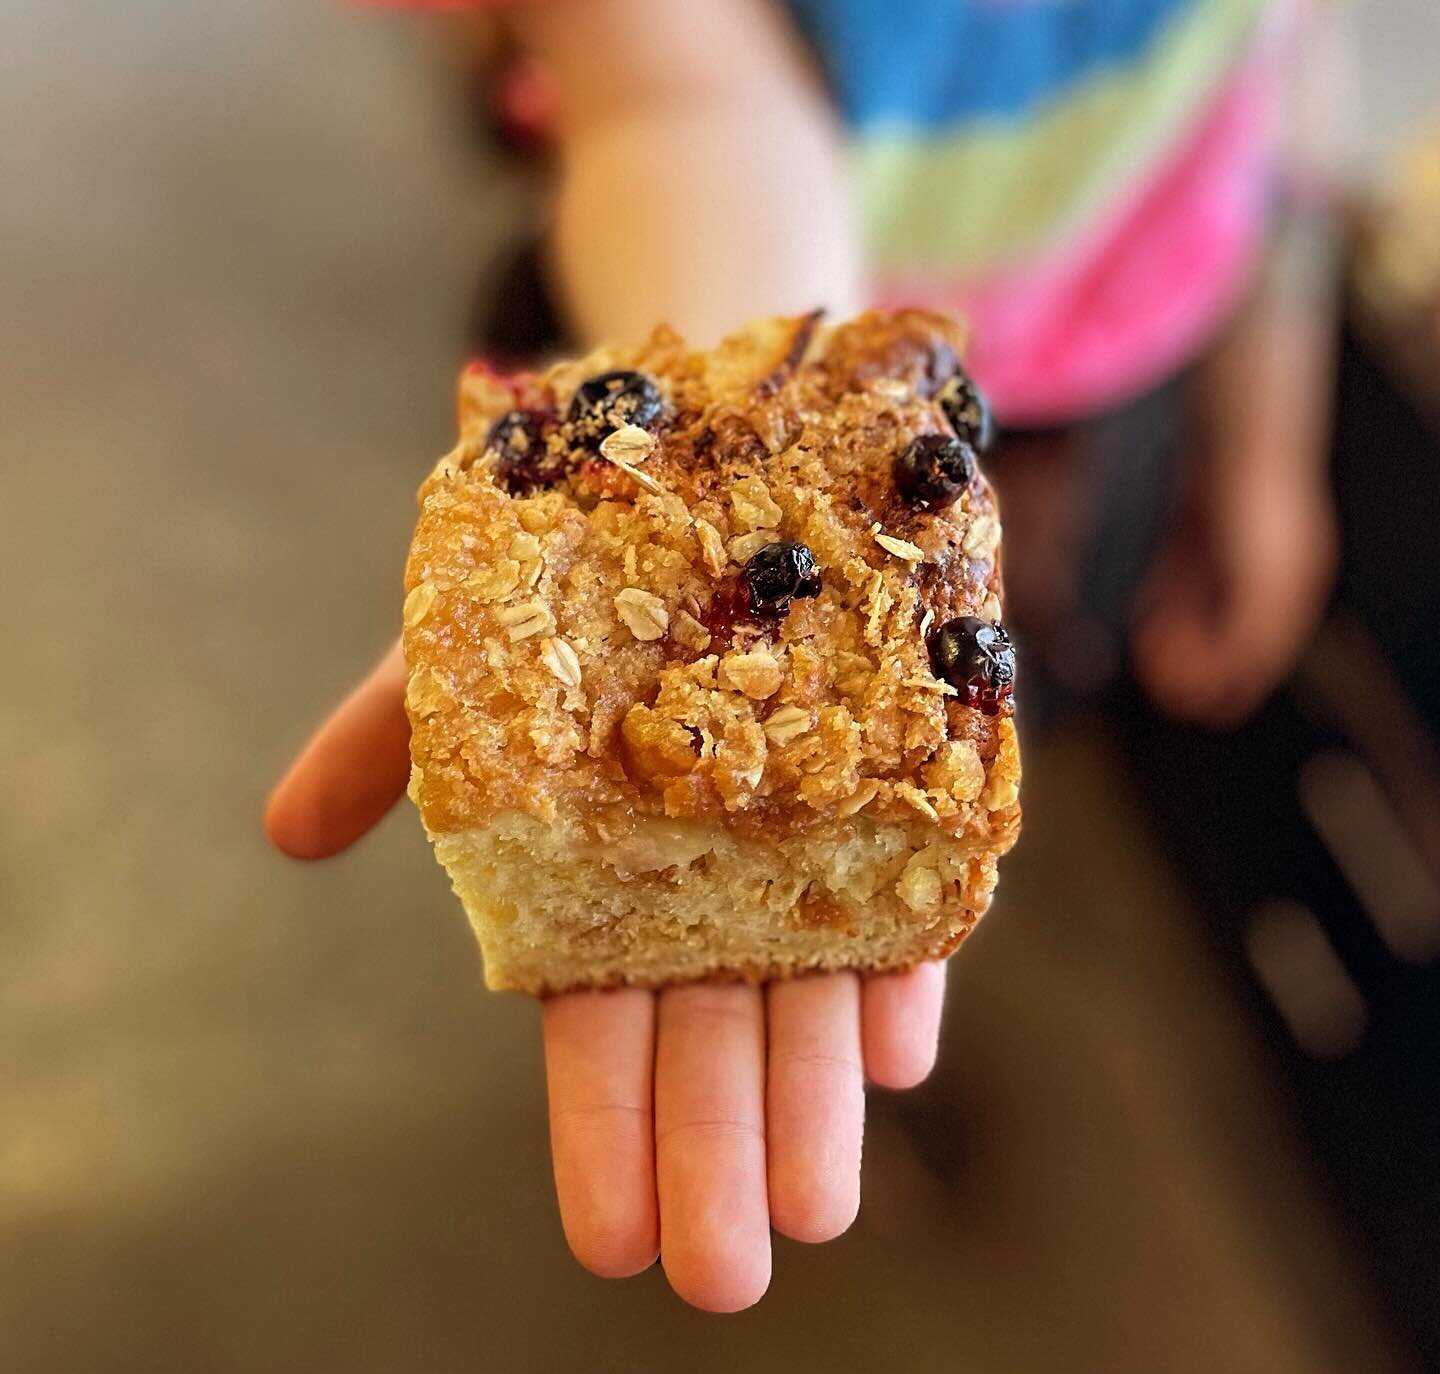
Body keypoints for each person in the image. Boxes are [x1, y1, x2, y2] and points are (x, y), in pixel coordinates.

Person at [266, 0, 1342, 1312]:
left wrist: (1274, 429)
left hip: (1104, 374)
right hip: (686, 280)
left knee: (1013, 705)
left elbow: (1282, 71)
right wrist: (746, 403)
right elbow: (680, 88)